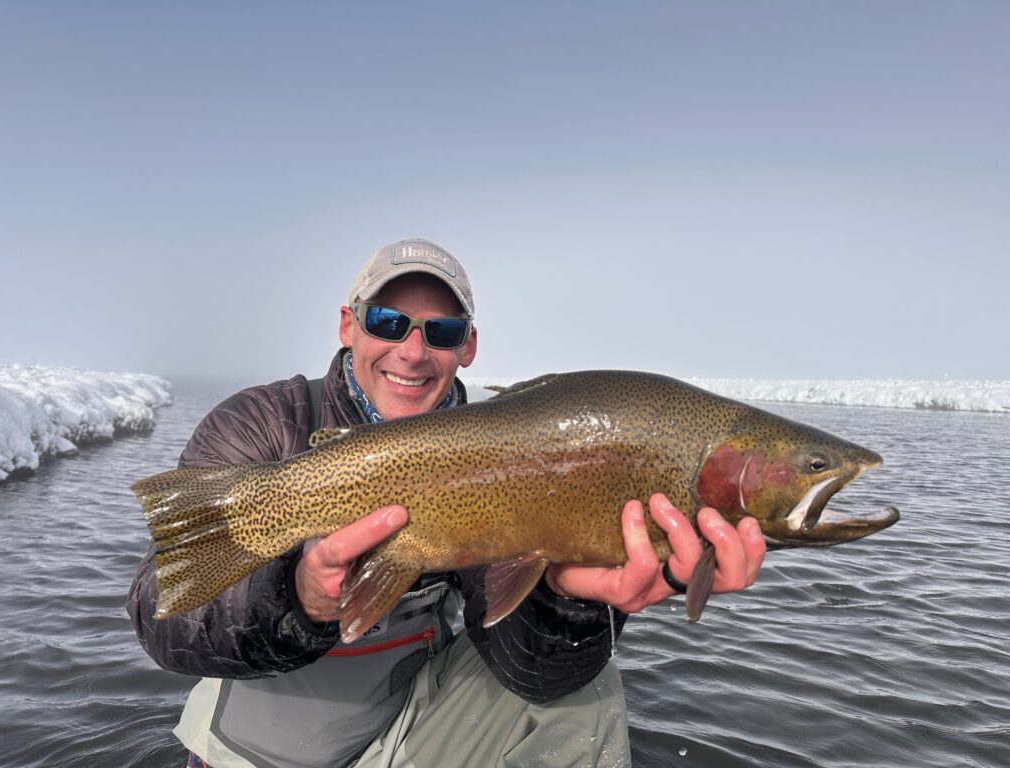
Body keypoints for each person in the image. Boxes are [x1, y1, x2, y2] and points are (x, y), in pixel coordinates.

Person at [127, 237, 766, 768]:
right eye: (387, 322)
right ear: (349, 325)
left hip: (405, 733)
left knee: (589, 692)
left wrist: (568, 600)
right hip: (254, 753)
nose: (412, 350)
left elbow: (531, 677)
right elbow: (163, 611)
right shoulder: (265, 423)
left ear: (469, 346)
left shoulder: (503, 452)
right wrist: (300, 593)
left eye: (442, 330)